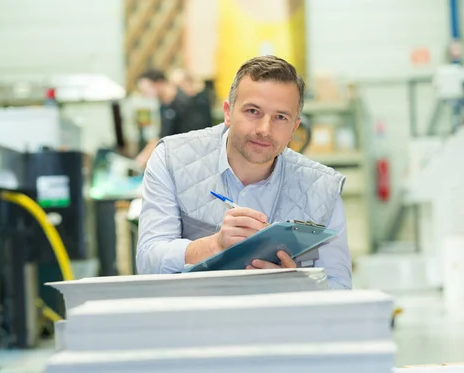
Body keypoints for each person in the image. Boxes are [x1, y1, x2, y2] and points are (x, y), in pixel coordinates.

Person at [136, 55, 352, 289]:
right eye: (252, 111)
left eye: (280, 117)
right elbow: (148, 260)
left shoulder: (323, 188)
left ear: (294, 128)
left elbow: (340, 287)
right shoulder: (172, 159)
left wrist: (296, 285)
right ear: (228, 112)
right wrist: (215, 245)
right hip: (197, 321)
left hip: (280, 324)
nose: (264, 129)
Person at [135, 69, 209, 167]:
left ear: (158, 84)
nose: (144, 95)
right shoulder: (163, 106)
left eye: (145, 90)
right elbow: (163, 135)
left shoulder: (184, 102)